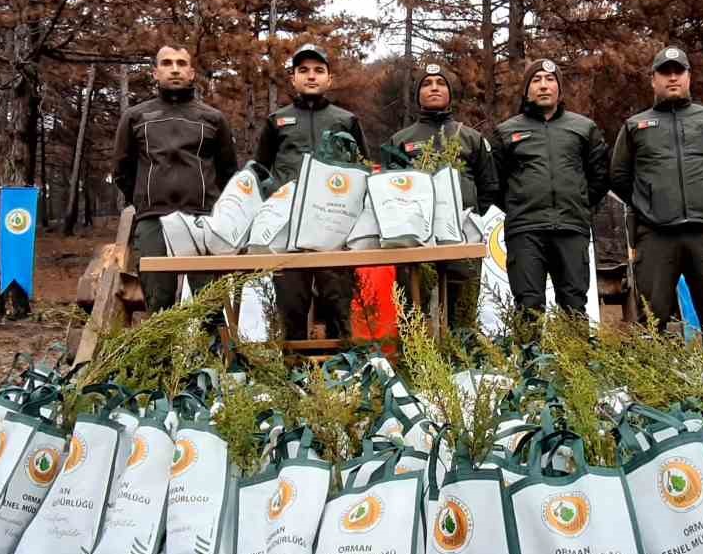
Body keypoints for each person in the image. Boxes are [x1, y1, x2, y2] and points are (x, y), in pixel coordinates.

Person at [609, 46, 703, 337]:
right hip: (656, 236)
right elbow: (619, 176)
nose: (672, 78)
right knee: (650, 318)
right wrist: (649, 204)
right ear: (653, 80)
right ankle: (652, 380)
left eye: (678, 72)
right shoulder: (636, 126)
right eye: (665, 72)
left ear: (688, 77)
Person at [253, 43, 370, 340]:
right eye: (303, 70)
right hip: (288, 228)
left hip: (334, 227)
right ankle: (292, 373)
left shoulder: (346, 120)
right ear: (293, 79)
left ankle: (343, 370)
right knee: (292, 304)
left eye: (319, 70)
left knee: (337, 303)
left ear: (329, 79)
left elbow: (363, 170)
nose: (311, 76)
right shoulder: (277, 121)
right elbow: (260, 172)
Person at [111, 43, 238, 313]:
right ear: (155, 73)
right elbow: (122, 169)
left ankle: (212, 353)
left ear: (192, 73)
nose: (175, 70)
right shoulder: (135, 117)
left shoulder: (213, 119)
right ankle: (161, 356)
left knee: (209, 306)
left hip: (203, 220)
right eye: (167, 63)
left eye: (181, 64)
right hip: (153, 219)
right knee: (159, 304)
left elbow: (228, 170)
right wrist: (145, 199)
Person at [491, 58, 610, 316]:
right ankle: (529, 357)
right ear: (526, 90)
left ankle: (574, 357)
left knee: (574, 307)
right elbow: (495, 183)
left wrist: (578, 202)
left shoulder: (584, 128)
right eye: (536, 80)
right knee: (528, 307)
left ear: (559, 88)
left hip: (571, 229)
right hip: (525, 232)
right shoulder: (506, 132)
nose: (543, 86)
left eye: (550, 79)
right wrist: (520, 203)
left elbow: (600, 176)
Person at [388, 61, 499, 326]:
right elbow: (389, 189)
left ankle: (461, 360)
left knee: (461, 310)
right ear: (417, 95)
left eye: (440, 84)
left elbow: (489, 186)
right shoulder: (401, 140)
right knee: (412, 309)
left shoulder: (471, 138)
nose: (434, 88)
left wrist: (472, 219)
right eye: (426, 84)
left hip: (462, 236)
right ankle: (412, 362)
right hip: (415, 238)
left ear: (450, 93)